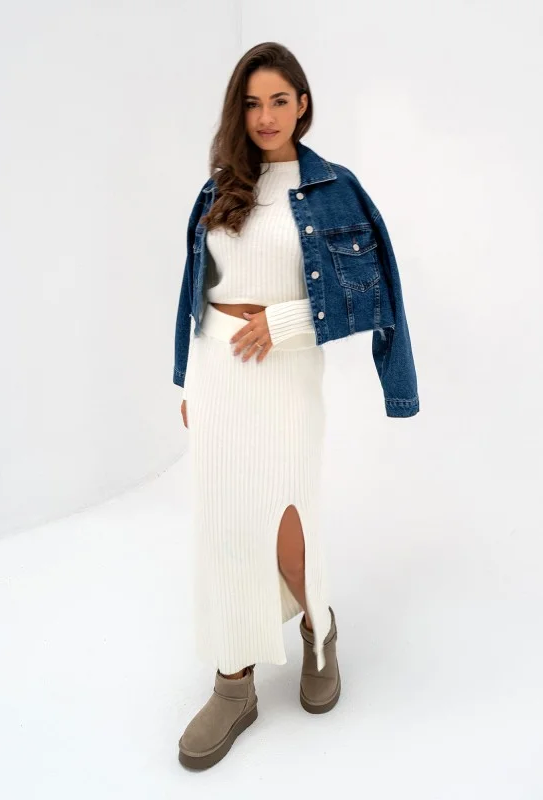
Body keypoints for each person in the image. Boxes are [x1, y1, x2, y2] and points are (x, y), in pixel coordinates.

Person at [173, 41, 419, 770]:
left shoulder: (333, 189)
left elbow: (370, 295)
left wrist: (282, 323)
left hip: (285, 376)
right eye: (252, 103)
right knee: (223, 525)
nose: (266, 116)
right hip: (219, 374)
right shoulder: (219, 188)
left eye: (280, 100)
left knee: (289, 520)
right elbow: (194, 292)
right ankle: (233, 681)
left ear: (303, 104)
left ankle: (317, 629)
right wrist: (187, 381)